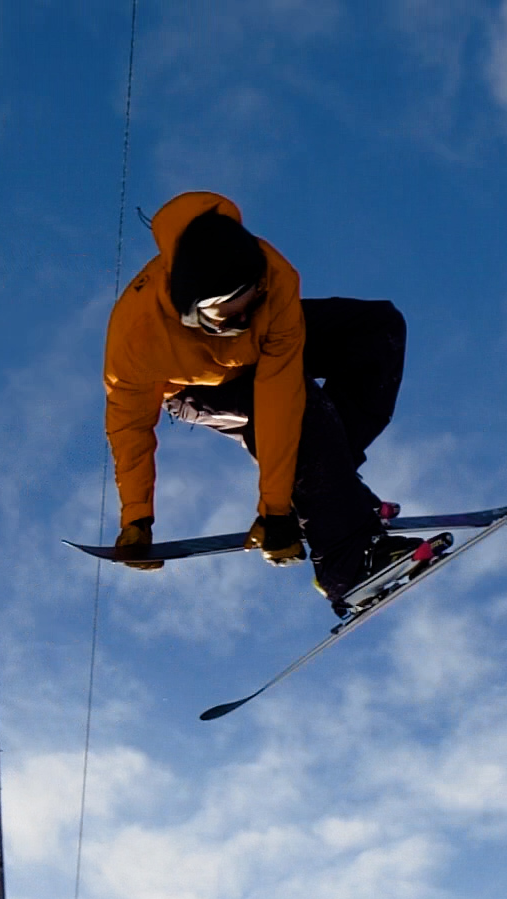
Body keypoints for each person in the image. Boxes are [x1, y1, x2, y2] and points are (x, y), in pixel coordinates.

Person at [102, 190, 409, 613]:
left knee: (375, 333)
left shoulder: (274, 273)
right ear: (192, 312)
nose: (243, 319)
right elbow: (129, 426)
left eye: (252, 301)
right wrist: (136, 517)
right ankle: (349, 567)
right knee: (307, 414)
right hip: (196, 388)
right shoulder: (136, 335)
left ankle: (324, 486)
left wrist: (278, 506)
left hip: (267, 359)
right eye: (226, 315)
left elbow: (280, 395)